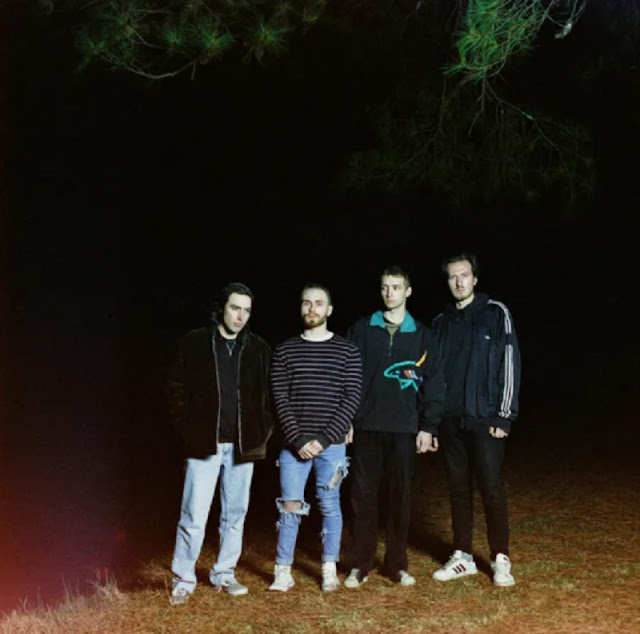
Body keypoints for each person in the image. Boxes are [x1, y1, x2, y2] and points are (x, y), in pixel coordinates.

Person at [167, 283, 274, 605]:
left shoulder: (258, 348)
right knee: (193, 515)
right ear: (221, 308)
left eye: (246, 310)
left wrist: (261, 433)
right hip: (204, 444)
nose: (240, 316)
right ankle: (183, 579)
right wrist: (189, 432)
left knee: (235, 514)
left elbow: (268, 397)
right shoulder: (195, 342)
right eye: (234, 308)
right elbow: (175, 390)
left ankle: (224, 573)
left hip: (242, 446)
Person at [344, 265, 444, 588]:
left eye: (396, 287)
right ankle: (360, 563)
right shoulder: (362, 329)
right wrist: (347, 419)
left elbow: (434, 382)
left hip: (404, 428)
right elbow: (348, 377)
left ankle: (397, 564)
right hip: (366, 426)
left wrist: (428, 426)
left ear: (408, 291)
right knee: (362, 496)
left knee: (400, 498)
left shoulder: (423, 335)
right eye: (385, 287)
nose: (390, 293)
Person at [431, 253, 521, 587]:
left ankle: (500, 558)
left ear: (475, 279)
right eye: (453, 276)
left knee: (491, 489)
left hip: (485, 418)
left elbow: (509, 362)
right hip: (450, 420)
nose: (459, 282)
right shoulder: (440, 322)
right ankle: (463, 556)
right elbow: (433, 374)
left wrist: (504, 415)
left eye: (464, 275)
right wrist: (431, 421)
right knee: (458, 489)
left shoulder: (495, 313)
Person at [268, 283, 362, 593]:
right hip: (293, 446)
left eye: (319, 303)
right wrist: (297, 440)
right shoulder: (285, 351)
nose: (312, 308)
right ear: (300, 308)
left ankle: (328, 568)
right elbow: (279, 398)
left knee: (329, 504)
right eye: (307, 303)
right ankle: (283, 570)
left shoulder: (347, 351)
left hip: (331, 445)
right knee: (290, 506)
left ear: (329, 310)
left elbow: (351, 398)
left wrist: (323, 439)